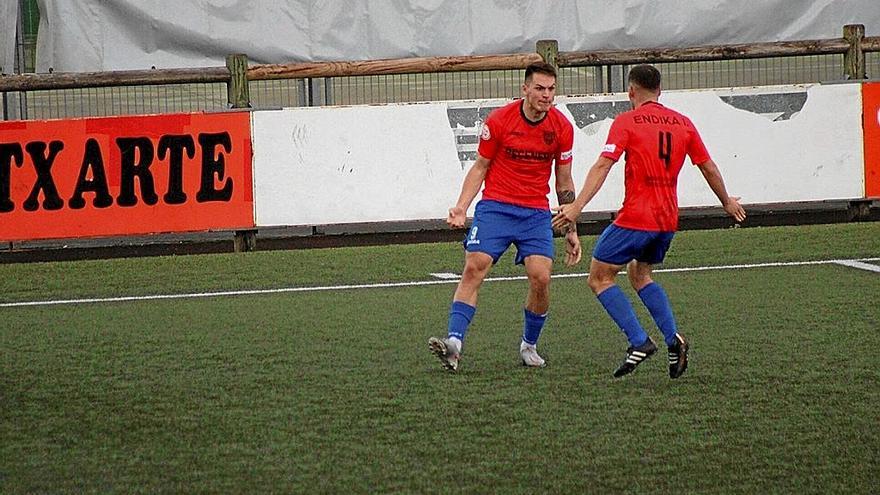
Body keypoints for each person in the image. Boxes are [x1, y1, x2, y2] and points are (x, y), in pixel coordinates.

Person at [552, 64, 746, 379]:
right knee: (640, 275)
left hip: (636, 217)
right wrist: (727, 201)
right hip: (667, 220)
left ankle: (639, 341)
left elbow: (603, 165)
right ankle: (673, 339)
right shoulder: (683, 123)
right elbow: (707, 167)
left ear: (631, 91)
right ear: (660, 91)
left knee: (599, 277)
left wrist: (576, 207)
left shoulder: (627, 121)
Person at [428, 62, 582, 372]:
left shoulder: (562, 128)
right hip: (496, 207)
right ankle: (454, 344)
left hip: (535, 212)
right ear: (525, 89)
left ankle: (529, 345)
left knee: (541, 277)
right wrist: (461, 207)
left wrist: (571, 227)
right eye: (540, 88)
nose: (546, 95)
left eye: (551, 89)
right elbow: (480, 167)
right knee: (475, 267)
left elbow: (563, 181)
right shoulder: (499, 121)